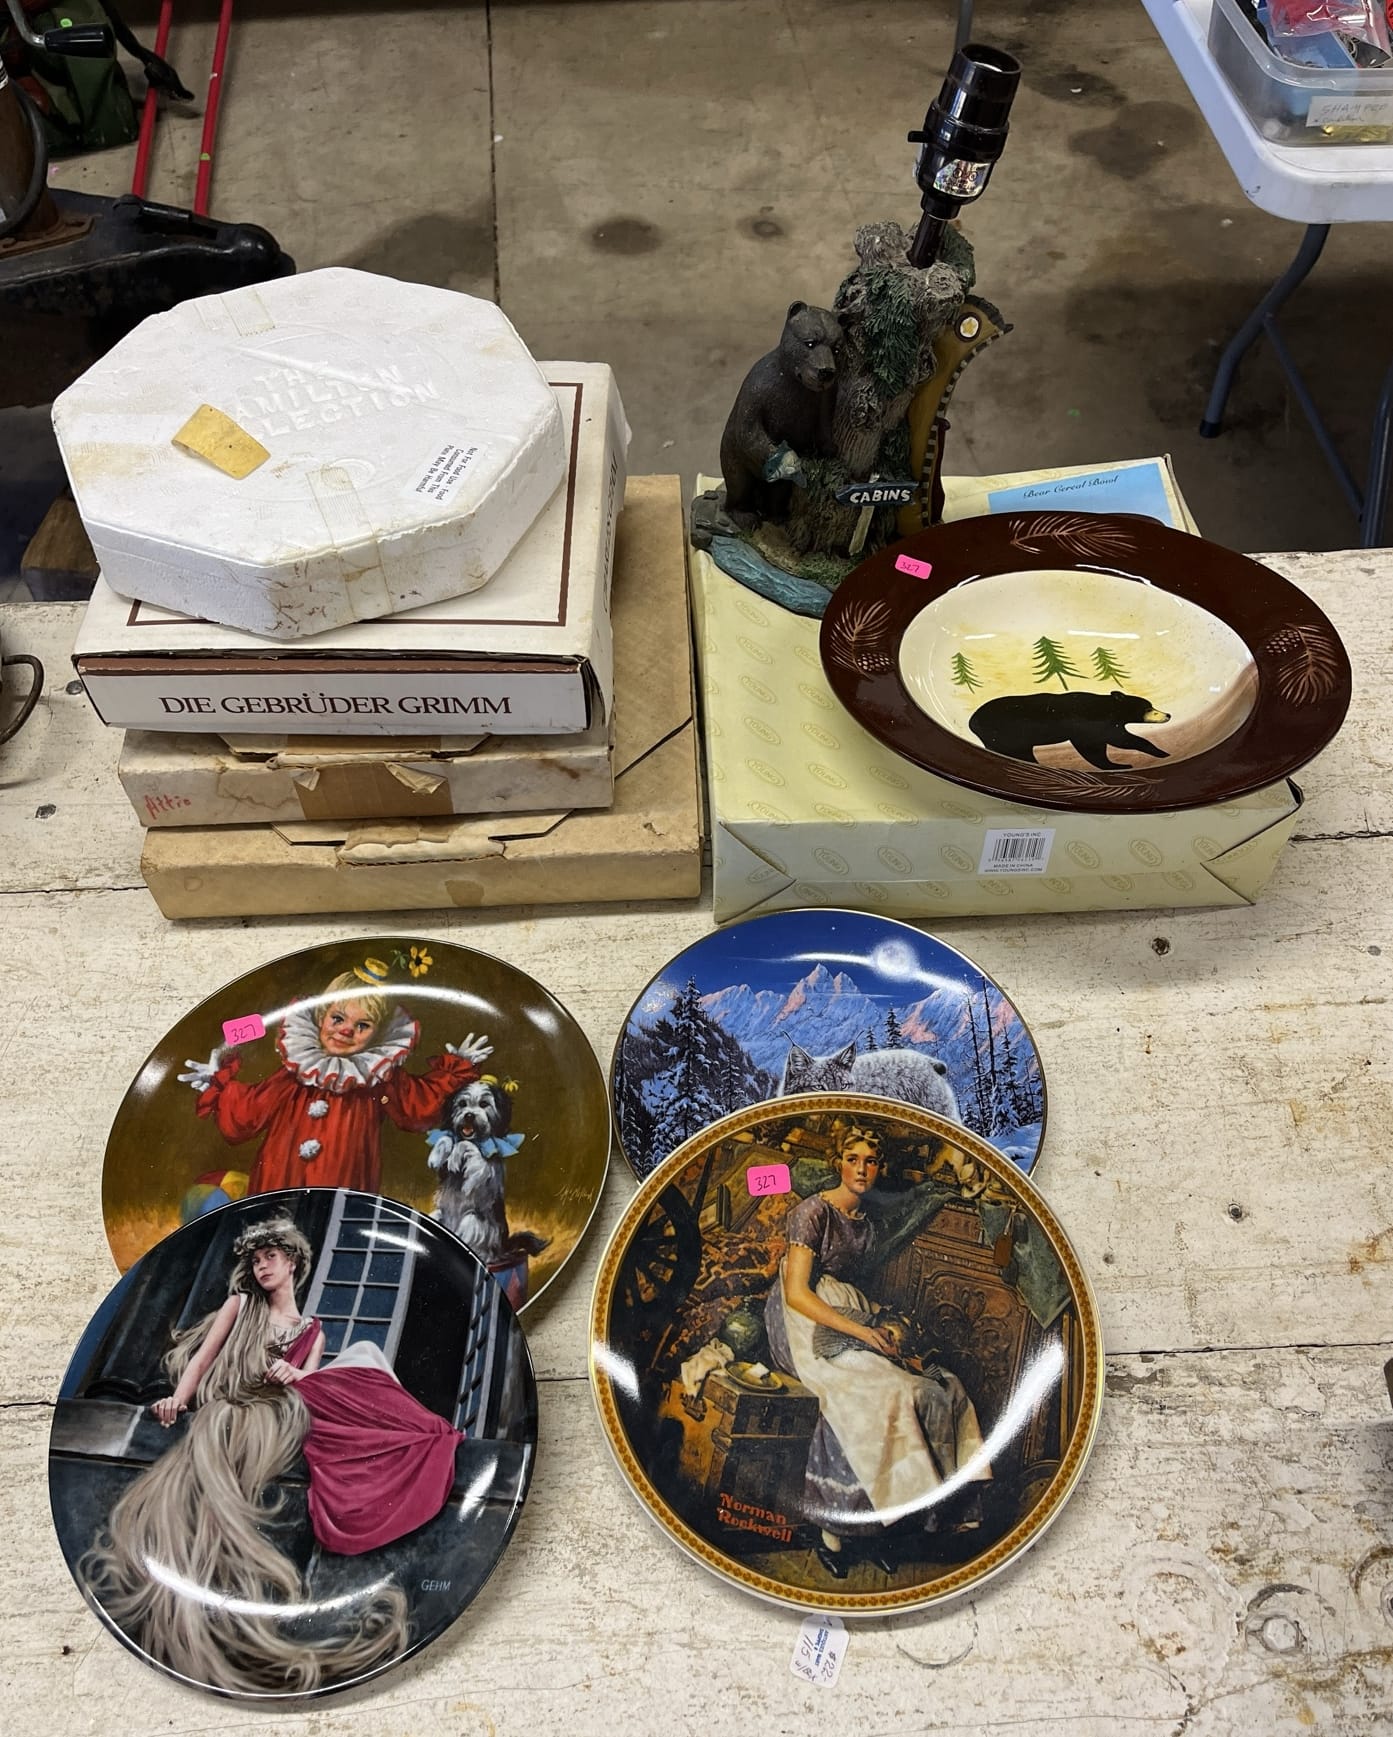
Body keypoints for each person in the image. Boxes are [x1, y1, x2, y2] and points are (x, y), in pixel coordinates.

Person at [82, 1216, 464, 1695]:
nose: (262, 1266)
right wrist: (178, 1399)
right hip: (243, 1405)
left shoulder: (313, 1332)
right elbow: (203, 1358)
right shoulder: (241, 1305)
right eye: (256, 1260)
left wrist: (295, 1373)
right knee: (358, 1362)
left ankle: (418, 1432)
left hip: (286, 1409)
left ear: (293, 1263)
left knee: (366, 1352)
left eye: (271, 1257)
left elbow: (306, 1385)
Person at [763, 1125, 993, 1579]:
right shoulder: (813, 1212)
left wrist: (882, 1329)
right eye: (852, 1159)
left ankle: (894, 1525)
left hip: (846, 1310)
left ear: (880, 1167)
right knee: (877, 1393)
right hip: (802, 1322)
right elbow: (796, 1293)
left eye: (870, 1161)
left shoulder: (867, 1224)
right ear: (838, 1162)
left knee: (937, 1388)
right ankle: (834, 1535)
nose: (861, 1169)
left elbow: (852, 1293)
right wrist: (864, 1335)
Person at [178, 959, 491, 1195]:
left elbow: (417, 1106)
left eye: (362, 1026)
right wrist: (217, 1082)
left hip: (344, 1185)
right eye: (337, 1018)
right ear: (320, 1016)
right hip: (280, 1178)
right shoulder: (297, 1069)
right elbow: (250, 1111)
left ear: (377, 1034)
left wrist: (457, 1071)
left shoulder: (377, 1078)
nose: (346, 1031)